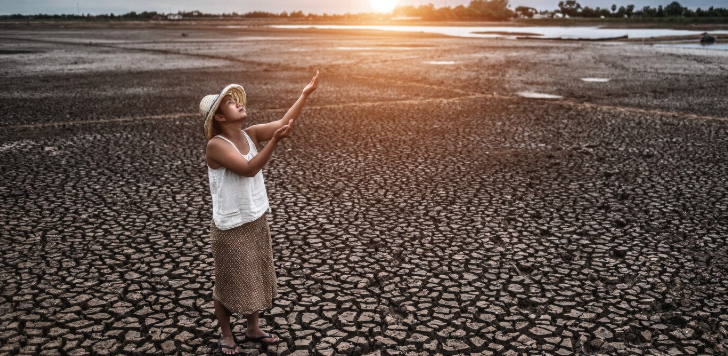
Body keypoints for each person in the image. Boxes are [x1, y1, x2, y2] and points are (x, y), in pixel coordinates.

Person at [199, 71, 320, 355]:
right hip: (230, 226)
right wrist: (274, 142)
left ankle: (253, 329)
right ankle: (227, 335)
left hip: (254, 218)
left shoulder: (250, 133)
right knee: (227, 283)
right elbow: (249, 168)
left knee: (256, 275)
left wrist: (304, 94)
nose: (239, 104)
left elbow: (282, 123)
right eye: (230, 103)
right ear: (219, 117)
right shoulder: (216, 145)